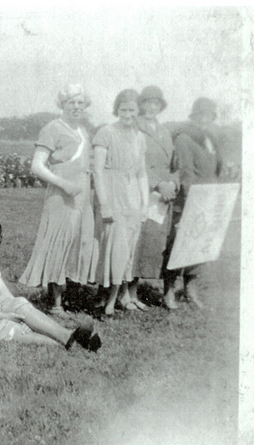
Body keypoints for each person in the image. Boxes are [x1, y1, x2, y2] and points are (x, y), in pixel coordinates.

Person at [0, 216, 100, 351]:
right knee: (7, 327)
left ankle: (68, 335)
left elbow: (7, 297)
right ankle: (72, 344)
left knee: (20, 304)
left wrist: (19, 313)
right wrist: (5, 316)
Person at [19, 84, 98, 314]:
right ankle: (55, 303)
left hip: (83, 196)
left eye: (80, 102)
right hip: (61, 195)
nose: (76, 106)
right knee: (59, 243)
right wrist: (64, 184)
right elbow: (36, 166)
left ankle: (73, 295)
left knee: (80, 243)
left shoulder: (83, 131)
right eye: (71, 102)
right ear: (62, 104)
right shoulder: (52, 128)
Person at [92, 89, 149, 315]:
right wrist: (104, 203)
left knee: (128, 250)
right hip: (112, 193)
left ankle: (117, 298)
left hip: (133, 196)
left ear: (138, 111)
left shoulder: (140, 137)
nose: (127, 114)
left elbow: (142, 173)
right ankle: (107, 299)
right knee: (114, 248)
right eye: (123, 109)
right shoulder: (106, 132)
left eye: (132, 109)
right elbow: (97, 170)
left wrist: (144, 204)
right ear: (117, 109)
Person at [163, 97, 222, 309]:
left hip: (208, 199)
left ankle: (190, 290)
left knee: (199, 247)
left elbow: (215, 169)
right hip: (189, 201)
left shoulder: (210, 139)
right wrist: (191, 202)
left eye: (208, 115)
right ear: (194, 116)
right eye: (201, 115)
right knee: (179, 245)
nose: (204, 119)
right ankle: (168, 291)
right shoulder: (184, 138)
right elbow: (186, 172)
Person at [133, 86, 179, 308]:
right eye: (147, 102)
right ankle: (127, 292)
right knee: (137, 240)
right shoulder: (134, 127)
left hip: (162, 198)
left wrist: (172, 183)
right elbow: (135, 161)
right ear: (140, 105)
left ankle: (137, 289)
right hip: (142, 191)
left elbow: (174, 165)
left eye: (156, 103)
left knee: (154, 242)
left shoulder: (165, 132)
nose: (151, 107)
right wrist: (157, 183)